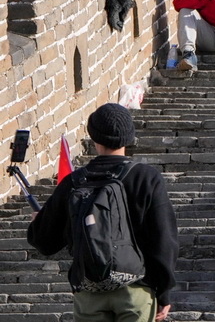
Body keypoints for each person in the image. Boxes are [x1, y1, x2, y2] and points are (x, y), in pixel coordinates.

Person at [27, 103, 178, 322]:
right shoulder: (146, 177)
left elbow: (44, 242)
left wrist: (37, 223)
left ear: (93, 136)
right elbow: (164, 239)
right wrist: (164, 292)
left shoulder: (74, 182)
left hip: (89, 291)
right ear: (129, 137)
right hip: (135, 290)